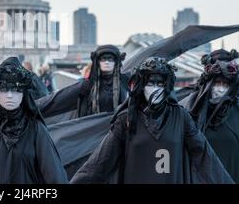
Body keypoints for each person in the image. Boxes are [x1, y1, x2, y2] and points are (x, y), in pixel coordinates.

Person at [70, 57, 233, 184]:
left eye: (160, 83)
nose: (155, 88)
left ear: (166, 86)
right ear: (142, 86)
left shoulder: (181, 117)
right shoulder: (126, 119)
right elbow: (99, 164)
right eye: (150, 83)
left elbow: (205, 157)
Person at [181, 49, 239, 182]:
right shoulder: (190, 109)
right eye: (217, 83)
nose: (220, 88)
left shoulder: (236, 110)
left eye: (225, 84)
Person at [38, 45, 128, 119]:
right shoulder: (88, 85)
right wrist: (33, 106)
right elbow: (58, 99)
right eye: (103, 59)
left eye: (110, 59)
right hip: (93, 130)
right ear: (98, 62)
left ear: (116, 62)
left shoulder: (124, 81)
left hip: (119, 131)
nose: (107, 62)